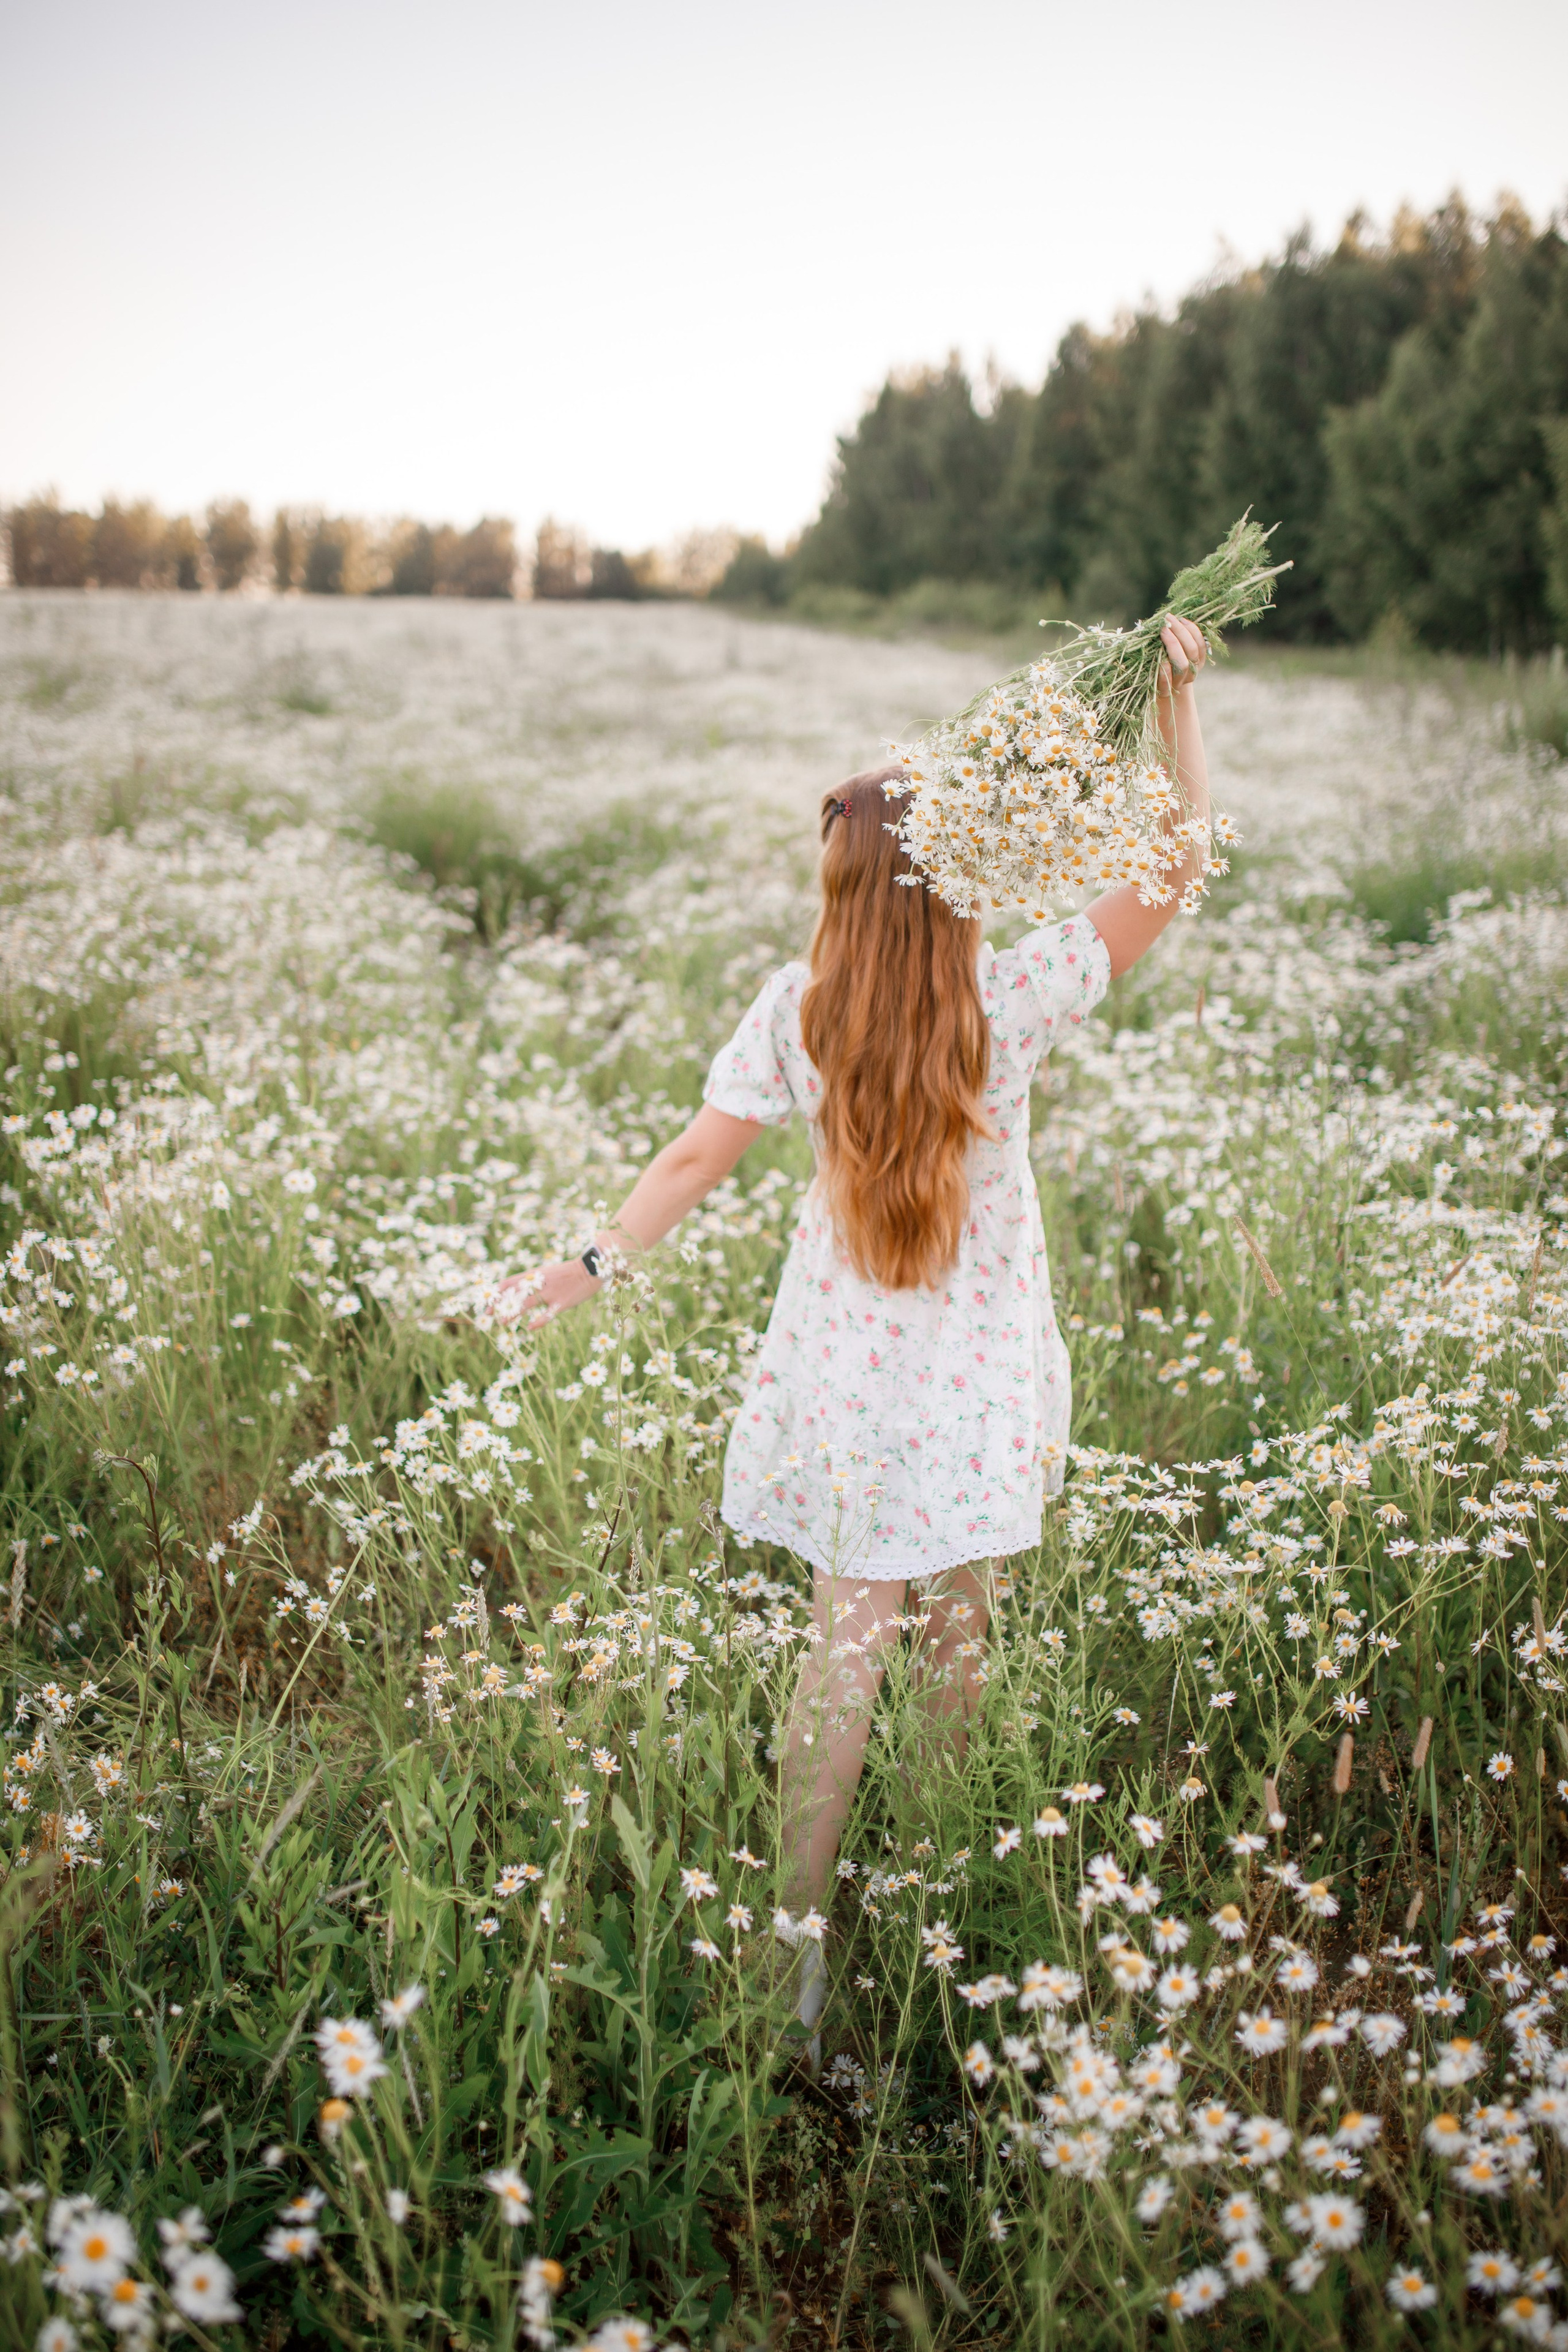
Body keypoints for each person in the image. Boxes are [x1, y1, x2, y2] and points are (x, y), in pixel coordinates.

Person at [494, 616, 1212, 2062]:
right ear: (956, 884)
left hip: (839, 1387)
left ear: (835, 893)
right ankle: (934, 1945)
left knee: (840, 1662)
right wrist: (1170, 705)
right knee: (956, 1649)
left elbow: (693, 1162)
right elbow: (1174, 865)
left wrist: (579, 1270)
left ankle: (790, 1972)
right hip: (974, 1383)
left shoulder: (801, 1010)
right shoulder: (1005, 998)